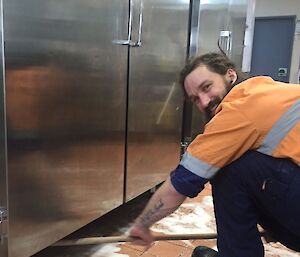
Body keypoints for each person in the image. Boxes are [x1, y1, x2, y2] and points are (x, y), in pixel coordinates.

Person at [128, 52, 300, 257]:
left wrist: (142, 224)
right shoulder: (267, 90)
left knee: (230, 170)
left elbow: (183, 181)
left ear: (230, 75)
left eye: (206, 87)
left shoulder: (239, 110)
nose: (203, 101)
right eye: (195, 99)